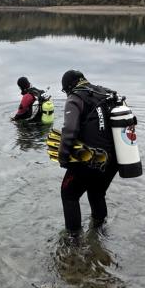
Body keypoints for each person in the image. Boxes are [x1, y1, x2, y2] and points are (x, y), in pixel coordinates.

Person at [58, 70, 119, 232]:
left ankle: (73, 240)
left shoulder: (75, 98)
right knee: (96, 192)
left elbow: (69, 130)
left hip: (91, 159)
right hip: (114, 160)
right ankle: (99, 230)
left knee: (68, 194)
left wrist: (63, 158)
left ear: (68, 86)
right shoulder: (104, 92)